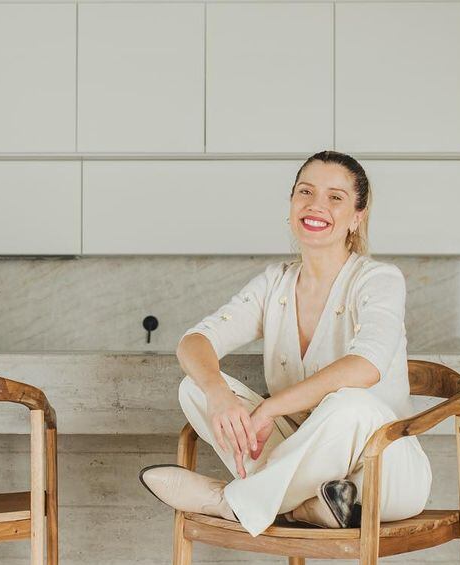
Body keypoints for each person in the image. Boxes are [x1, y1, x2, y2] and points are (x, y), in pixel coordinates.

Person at [139, 150, 432, 537]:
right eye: (305, 192)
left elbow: (366, 366)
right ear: (291, 204)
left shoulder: (379, 280)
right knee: (194, 387)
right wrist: (217, 392)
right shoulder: (274, 282)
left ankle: (230, 501)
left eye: (335, 198)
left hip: (383, 471)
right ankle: (309, 505)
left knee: (351, 403)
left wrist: (270, 409)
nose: (315, 205)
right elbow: (194, 342)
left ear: (356, 217)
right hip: (306, 466)